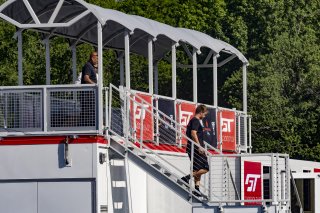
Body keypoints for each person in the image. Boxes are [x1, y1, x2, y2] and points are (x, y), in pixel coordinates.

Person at [181, 104, 209, 197]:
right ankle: (186, 178)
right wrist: (199, 146)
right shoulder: (195, 120)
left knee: (197, 168)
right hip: (195, 148)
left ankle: (196, 189)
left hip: (193, 147)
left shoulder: (194, 120)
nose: (204, 116)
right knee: (205, 168)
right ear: (201, 112)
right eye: (204, 114)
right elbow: (193, 133)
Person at [79, 52, 98, 126]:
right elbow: (86, 78)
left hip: (89, 95)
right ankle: (87, 128)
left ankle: (89, 127)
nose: (98, 60)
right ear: (93, 57)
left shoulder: (91, 66)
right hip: (87, 96)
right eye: (97, 58)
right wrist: (95, 85)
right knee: (87, 113)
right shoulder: (88, 66)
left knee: (90, 113)